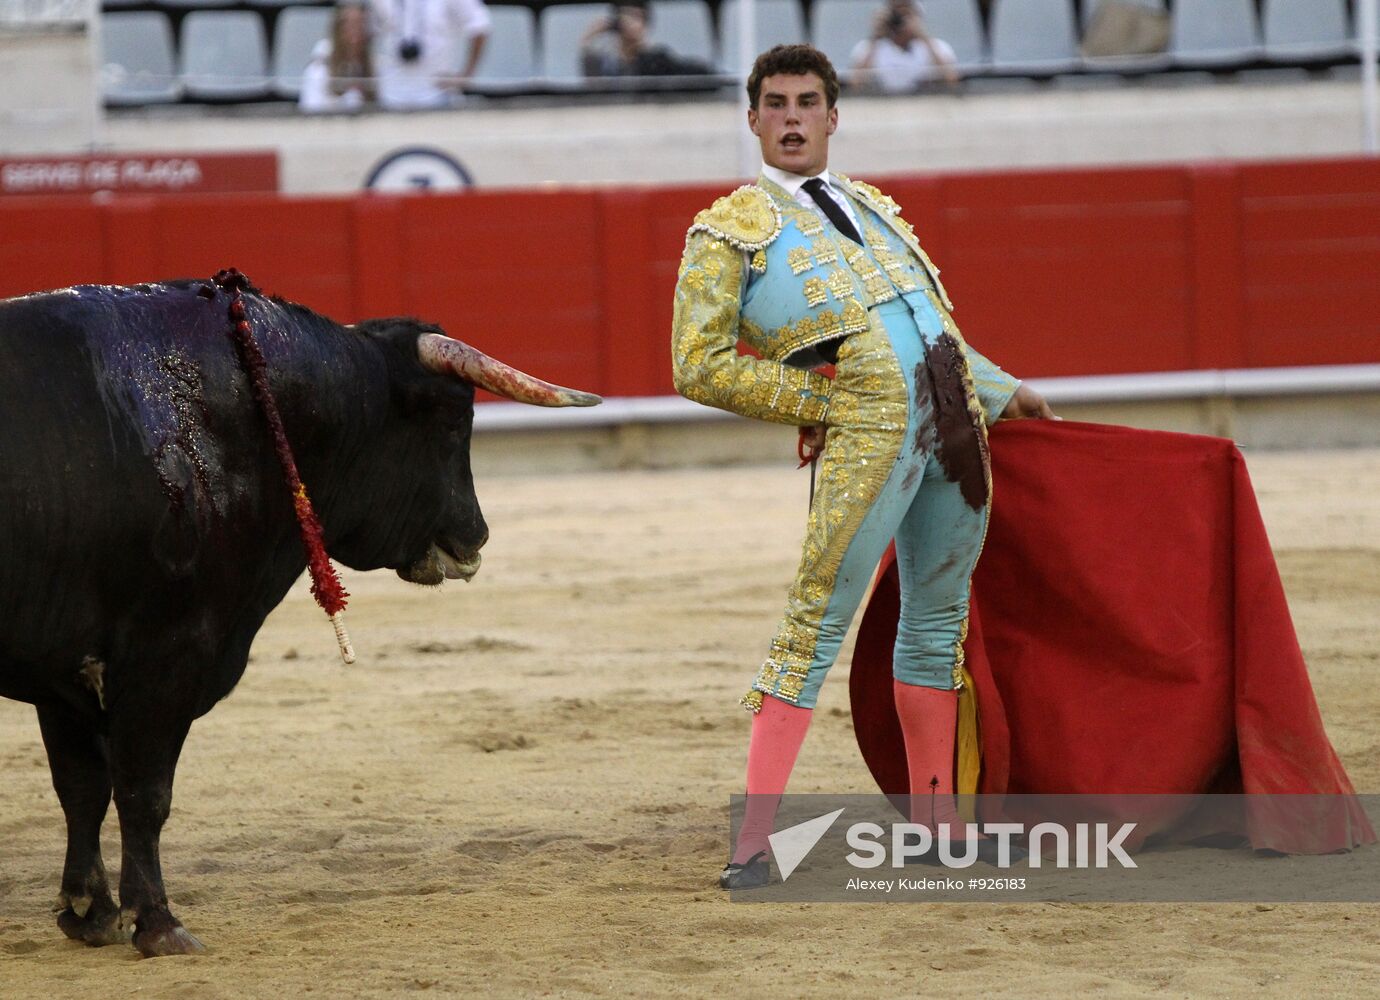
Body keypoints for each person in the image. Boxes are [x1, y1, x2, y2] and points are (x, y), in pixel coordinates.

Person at [668, 44, 1054, 889]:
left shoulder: (878, 208)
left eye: (808, 102)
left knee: (934, 623)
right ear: (753, 119)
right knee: (813, 625)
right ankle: (753, 845)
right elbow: (695, 363)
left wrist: (1004, 388)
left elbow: (927, 326)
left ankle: (938, 830)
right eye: (776, 104)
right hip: (870, 434)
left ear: (835, 117)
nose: (793, 117)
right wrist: (825, 402)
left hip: (956, 426)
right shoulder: (726, 229)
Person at [368, 0, 491, 110]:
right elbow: (363, 32)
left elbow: (480, 26)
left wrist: (466, 75)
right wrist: (366, 79)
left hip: (437, 97)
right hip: (389, 96)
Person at [578, 0, 711, 79]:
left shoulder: (657, 59)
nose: (633, 24)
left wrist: (644, 49)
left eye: (639, 18)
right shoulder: (606, 62)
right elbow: (591, 77)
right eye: (628, 16)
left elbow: (697, 73)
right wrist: (593, 32)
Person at [850, 0, 960, 92]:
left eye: (906, 14)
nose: (901, 20)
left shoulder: (937, 47)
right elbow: (855, 85)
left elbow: (952, 81)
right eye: (896, 13)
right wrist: (875, 37)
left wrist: (924, 38)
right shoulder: (867, 47)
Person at [299, 2, 376, 113]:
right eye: (351, 26)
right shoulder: (320, 64)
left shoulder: (371, 62)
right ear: (338, 29)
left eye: (361, 25)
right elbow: (311, 107)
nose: (357, 33)